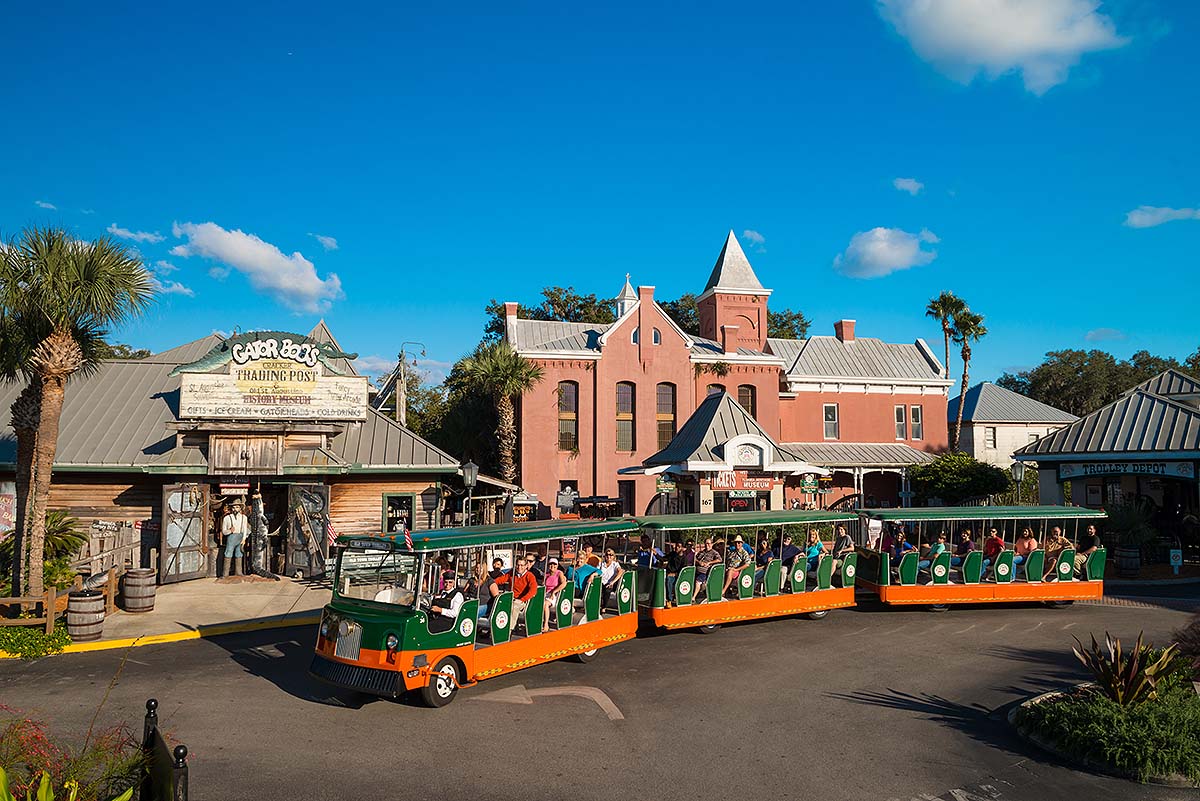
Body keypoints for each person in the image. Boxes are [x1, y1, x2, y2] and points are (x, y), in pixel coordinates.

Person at [220, 501, 250, 578]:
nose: (235, 509)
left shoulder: (244, 518)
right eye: (233, 507)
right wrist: (230, 531)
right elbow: (223, 531)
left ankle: (239, 572)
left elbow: (245, 529)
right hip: (231, 538)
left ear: (240, 508)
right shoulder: (227, 518)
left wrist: (244, 539)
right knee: (228, 554)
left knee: (239, 554)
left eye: (237, 507)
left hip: (240, 538)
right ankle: (225, 574)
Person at [509, 557, 539, 623]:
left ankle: (509, 629)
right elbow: (501, 579)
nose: (519, 567)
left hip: (523, 601)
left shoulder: (530, 576)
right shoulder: (512, 573)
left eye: (522, 565)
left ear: (526, 566)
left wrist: (522, 599)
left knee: (514, 606)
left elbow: (533, 591)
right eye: (518, 565)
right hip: (512, 598)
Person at [662, 541, 686, 606]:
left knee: (669, 579)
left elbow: (683, 571)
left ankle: (669, 600)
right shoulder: (673, 554)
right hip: (668, 572)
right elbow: (663, 558)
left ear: (682, 548)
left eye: (679, 547)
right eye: (676, 546)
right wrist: (655, 553)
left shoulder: (684, 558)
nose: (676, 548)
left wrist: (674, 574)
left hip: (678, 576)